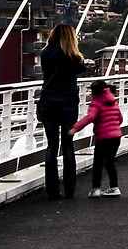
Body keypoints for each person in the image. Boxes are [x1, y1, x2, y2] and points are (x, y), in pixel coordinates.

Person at [37, 23, 89, 200]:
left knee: (52, 145)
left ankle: (52, 190)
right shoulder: (73, 56)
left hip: (49, 103)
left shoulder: (46, 53)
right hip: (68, 104)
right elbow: (82, 68)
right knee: (68, 145)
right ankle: (70, 189)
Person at [72, 79, 125, 197]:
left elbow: (90, 117)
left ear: (94, 91)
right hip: (116, 136)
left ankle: (96, 189)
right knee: (110, 161)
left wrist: (75, 128)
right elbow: (120, 119)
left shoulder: (96, 102)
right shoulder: (113, 101)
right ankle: (114, 187)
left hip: (103, 137)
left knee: (98, 163)